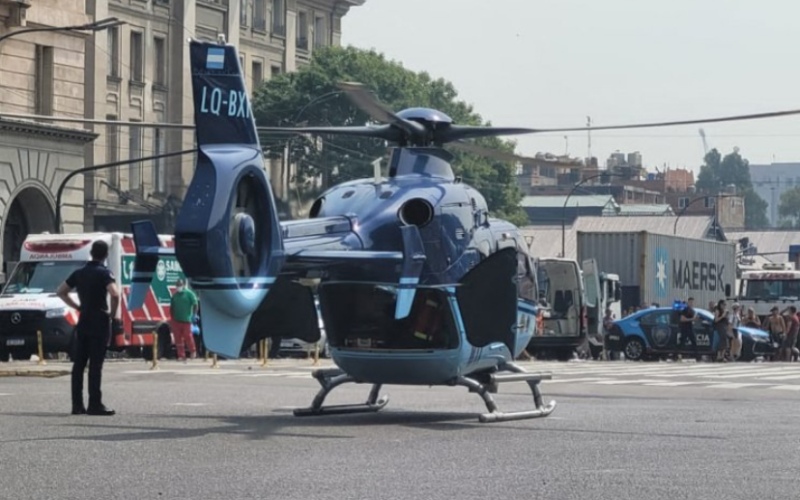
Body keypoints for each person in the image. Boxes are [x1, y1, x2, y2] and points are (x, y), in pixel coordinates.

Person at [56, 240, 118, 416]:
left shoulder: (79, 273)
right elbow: (115, 293)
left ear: (91, 253)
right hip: (99, 319)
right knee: (95, 365)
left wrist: (76, 306)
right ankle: (95, 404)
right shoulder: (104, 273)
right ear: (105, 255)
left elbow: (60, 291)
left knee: (79, 364)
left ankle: (77, 405)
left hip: (84, 320)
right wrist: (112, 314)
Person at [170, 278, 199, 361]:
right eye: (177, 285)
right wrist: (172, 319)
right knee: (178, 338)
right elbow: (172, 307)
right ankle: (181, 355)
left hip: (186, 320)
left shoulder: (189, 294)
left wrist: (194, 314)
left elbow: (195, 304)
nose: (178, 287)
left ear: (183, 285)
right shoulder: (175, 296)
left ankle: (193, 351)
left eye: (179, 285)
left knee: (188, 336)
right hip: (176, 320)